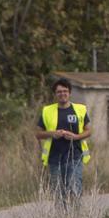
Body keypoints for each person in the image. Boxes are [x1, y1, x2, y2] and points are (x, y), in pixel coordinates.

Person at [34, 78, 92, 207]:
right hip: (54, 159)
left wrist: (76, 137)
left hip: (74, 157)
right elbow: (38, 133)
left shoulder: (80, 110)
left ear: (70, 92)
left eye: (65, 91)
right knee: (59, 194)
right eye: (59, 91)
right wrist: (52, 134)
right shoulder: (47, 111)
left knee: (74, 190)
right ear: (55, 94)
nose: (62, 94)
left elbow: (88, 131)